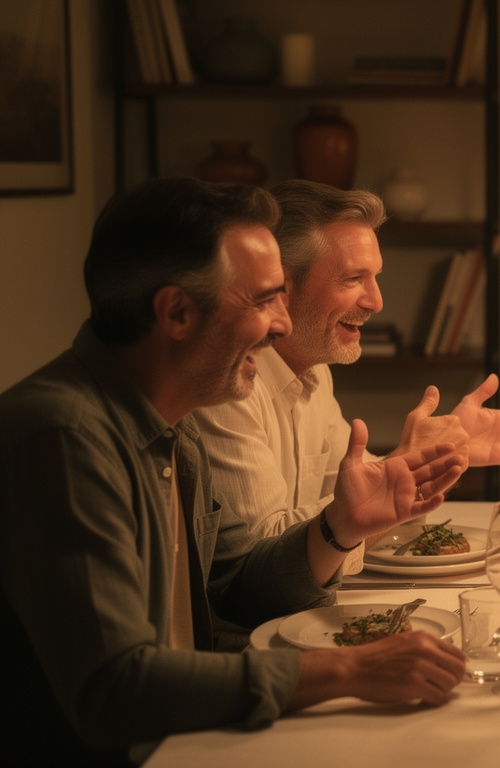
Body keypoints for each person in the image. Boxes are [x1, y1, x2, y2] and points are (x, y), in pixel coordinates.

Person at [0, 178, 468, 767]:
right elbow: (115, 691)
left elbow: (237, 596)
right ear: (176, 312)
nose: (281, 325)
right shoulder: (65, 437)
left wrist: (339, 525)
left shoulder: (173, 433)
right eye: (264, 299)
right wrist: (347, 668)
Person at [196, 179, 500, 574]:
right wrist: (412, 464)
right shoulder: (225, 387)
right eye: (353, 279)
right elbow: (259, 562)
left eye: (375, 277)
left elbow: (362, 491)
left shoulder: (314, 373)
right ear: (282, 287)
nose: (376, 301)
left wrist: (442, 452)